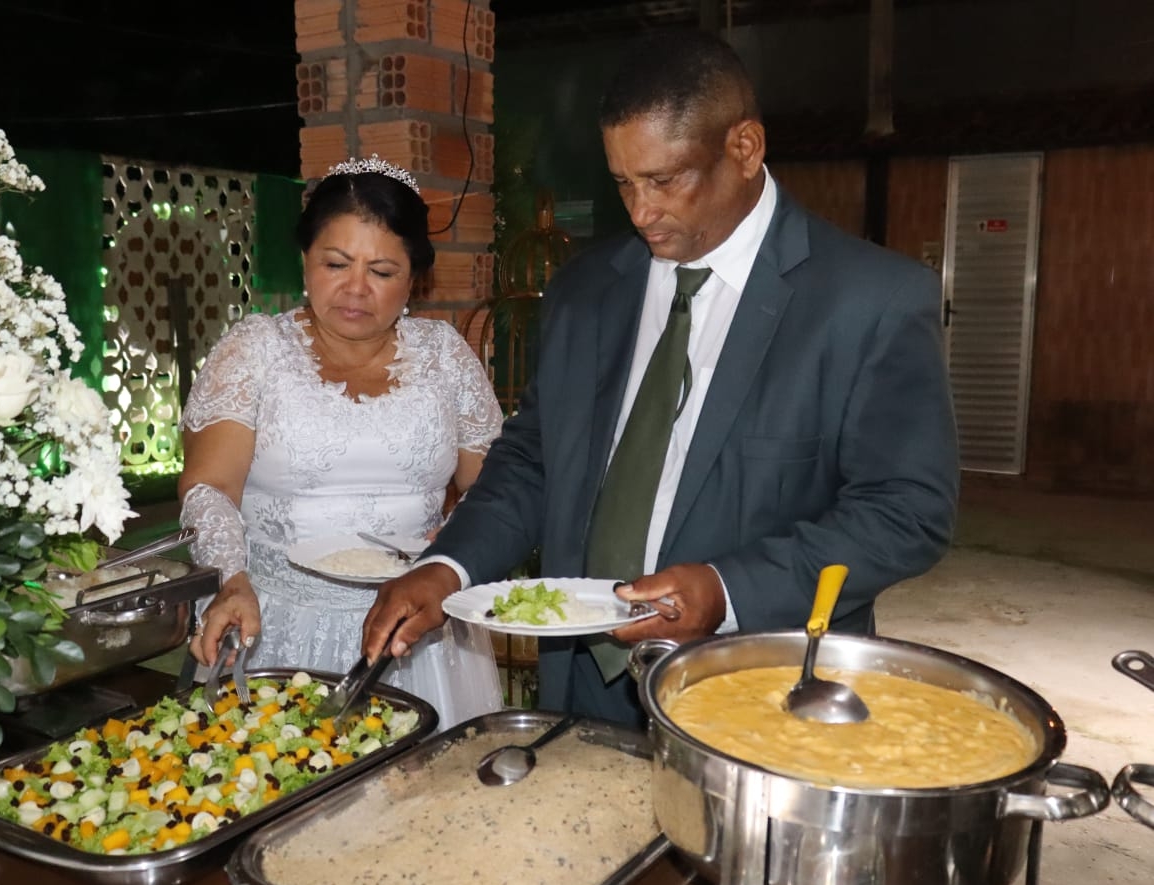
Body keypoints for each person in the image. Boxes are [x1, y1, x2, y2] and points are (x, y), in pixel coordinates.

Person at [361, 30, 960, 726]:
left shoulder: (869, 301)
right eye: (623, 183)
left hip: (758, 690)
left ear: (744, 148)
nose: (641, 212)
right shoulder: (587, 290)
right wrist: (450, 567)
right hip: (585, 678)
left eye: (664, 180)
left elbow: (906, 510)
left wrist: (726, 589)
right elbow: (533, 461)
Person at [179, 156, 505, 728]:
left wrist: (456, 540)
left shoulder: (445, 354)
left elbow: (496, 488)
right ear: (305, 260)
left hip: (417, 630)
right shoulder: (255, 350)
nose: (356, 289)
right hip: (276, 624)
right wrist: (230, 579)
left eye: (382, 271)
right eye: (336, 263)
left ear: (414, 278)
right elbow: (210, 486)